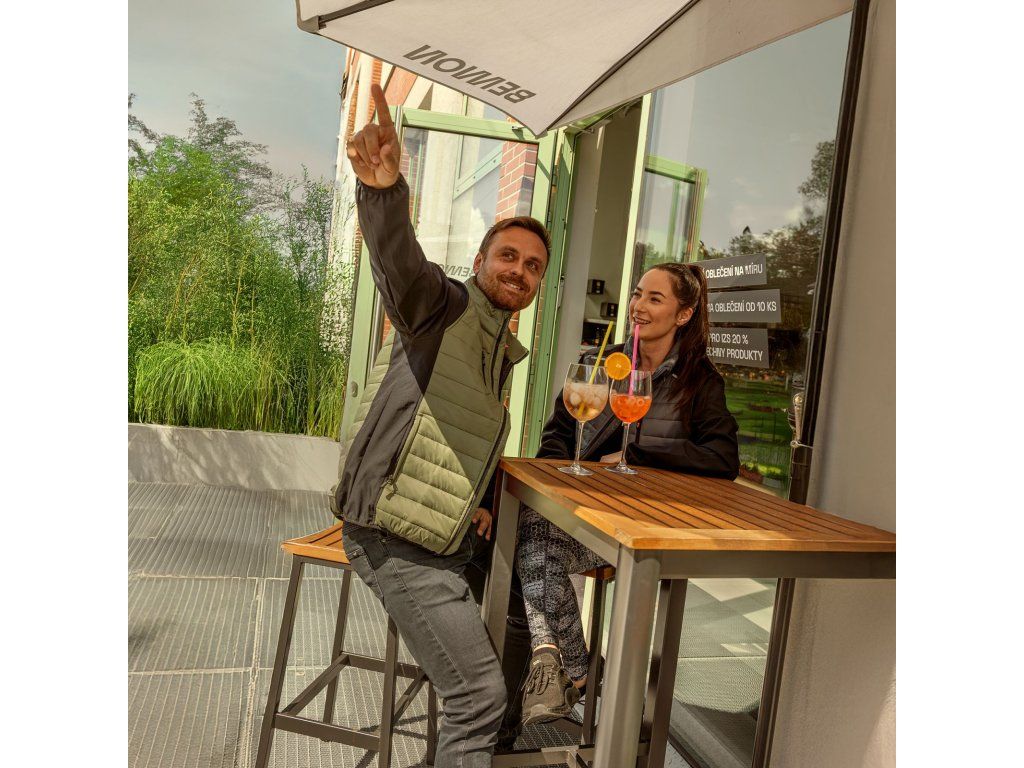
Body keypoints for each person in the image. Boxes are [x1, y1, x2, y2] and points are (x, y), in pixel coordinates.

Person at [336, 84, 547, 765]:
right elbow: (400, 265)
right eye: (508, 256)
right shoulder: (443, 307)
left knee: (523, 603)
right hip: (393, 537)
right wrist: (384, 192)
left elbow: (458, 434)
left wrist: (479, 501)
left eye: (533, 266)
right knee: (478, 694)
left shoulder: (500, 350)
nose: (519, 271)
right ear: (480, 262)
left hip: (440, 534)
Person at [515, 262, 741, 725]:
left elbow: (723, 459)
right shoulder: (604, 365)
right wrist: (560, 478)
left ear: (683, 314)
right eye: (637, 294)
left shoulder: (700, 382)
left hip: (643, 528)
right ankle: (565, 666)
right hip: (583, 518)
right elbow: (556, 437)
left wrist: (637, 454)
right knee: (535, 535)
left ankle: (568, 669)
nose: (638, 305)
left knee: (532, 544)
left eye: (655, 298)